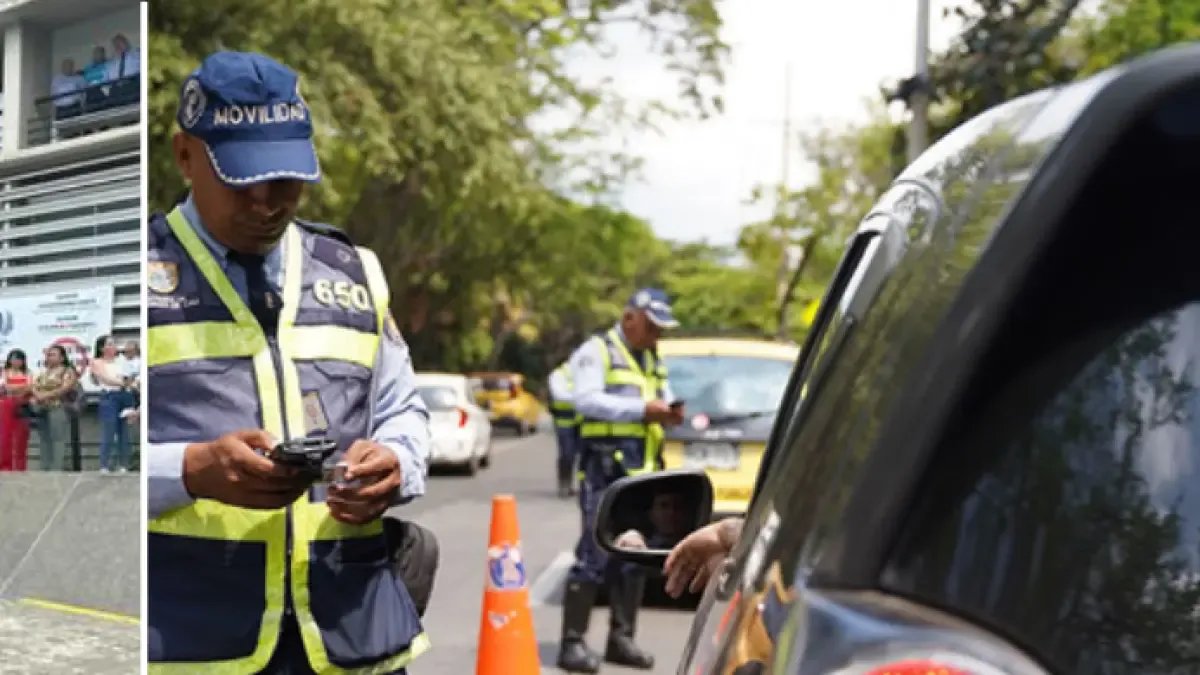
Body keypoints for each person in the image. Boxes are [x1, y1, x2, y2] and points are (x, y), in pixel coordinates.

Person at [145, 50, 432, 674]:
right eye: (241, 180)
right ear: (184, 156)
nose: (266, 203)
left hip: (352, 638)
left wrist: (398, 463)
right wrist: (188, 470)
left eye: (285, 180)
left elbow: (403, 409)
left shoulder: (355, 272)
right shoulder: (132, 277)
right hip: (192, 642)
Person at [557, 288, 685, 673]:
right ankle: (572, 644)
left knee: (633, 557)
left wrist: (668, 411)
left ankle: (621, 640)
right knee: (593, 554)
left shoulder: (651, 357)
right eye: (652, 326)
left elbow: (661, 395)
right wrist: (642, 409)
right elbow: (585, 400)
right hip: (604, 469)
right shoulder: (596, 351)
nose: (657, 335)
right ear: (630, 318)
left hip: (641, 472)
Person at [30, 345, 79, 471]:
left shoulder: (67, 371)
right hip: (42, 409)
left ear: (62, 358)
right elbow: (34, 386)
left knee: (58, 438)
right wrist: (37, 395)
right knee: (44, 439)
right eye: (48, 355)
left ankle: (56, 468)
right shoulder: (44, 372)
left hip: (58, 407)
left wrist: (46, 395)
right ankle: (45, 467)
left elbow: (65, 388)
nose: (49, 357)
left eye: (52, 355)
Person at [91, 335, 131, 473]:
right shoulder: (97, 362)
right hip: (109, 396)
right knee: (109, 430)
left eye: (114, 344)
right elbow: (104, 378)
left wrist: (126, 383)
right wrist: (121, 383)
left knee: (123, 431)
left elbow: (128, 376)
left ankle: (123, 464)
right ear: (102, 348)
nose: (113, 346)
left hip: (123, 395)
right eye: (109, 344)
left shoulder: (122, 361)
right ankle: (104, 464)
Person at [548, 360, 581, 498]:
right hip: (564, 422)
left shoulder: (587, 373)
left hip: (584, 422)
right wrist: (583, 398)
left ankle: (586, 486)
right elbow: (559, 395)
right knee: (567, 454)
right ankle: (564, 484)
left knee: (587, 456)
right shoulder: (559, 374)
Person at [0, 349, 33, 471]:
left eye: (19, 359)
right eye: (13, 359)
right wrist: (20, 388)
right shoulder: (4, 372)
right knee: (5, 435)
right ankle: (5, 466)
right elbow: (5, 388)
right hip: (6, 404)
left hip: (23, 405)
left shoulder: (28, 372)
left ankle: (20, 467)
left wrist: (14, 388)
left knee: (21, 437)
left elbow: (30, 387)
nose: (16, 362)